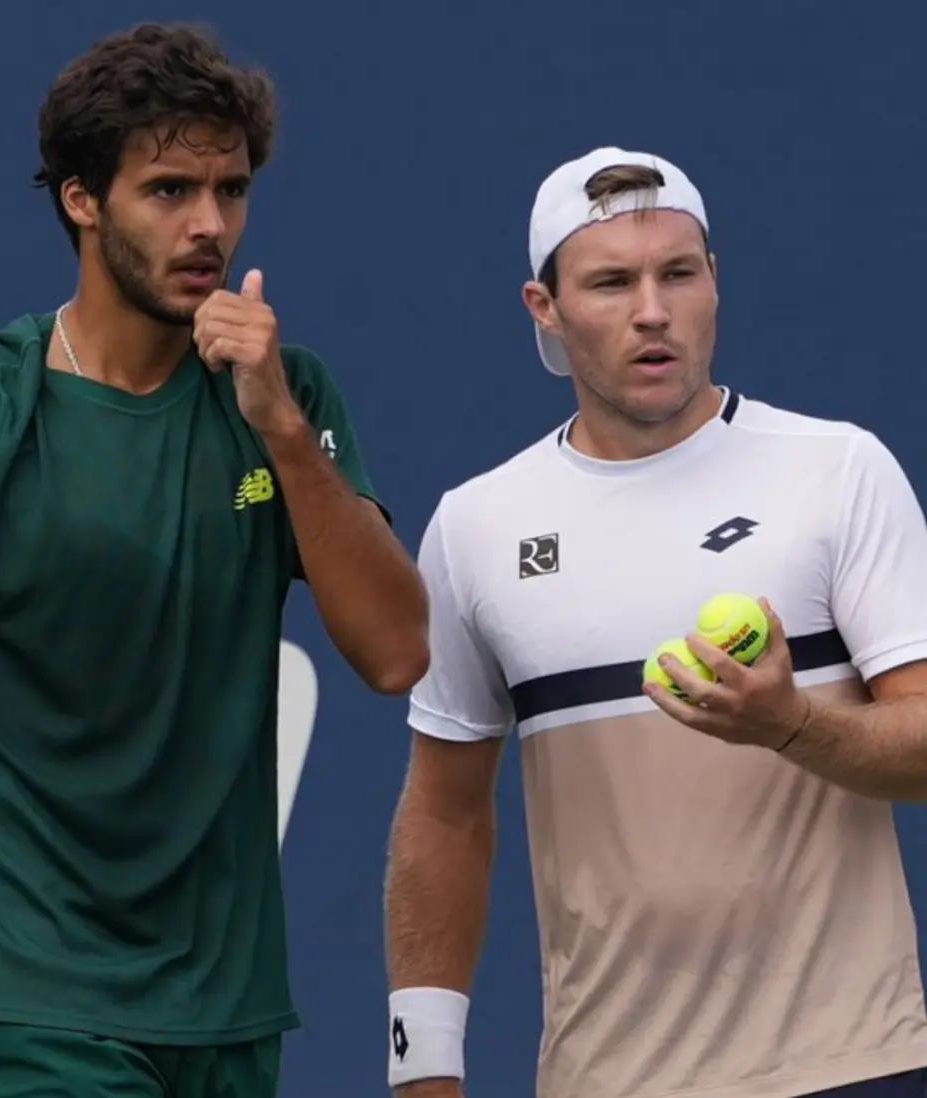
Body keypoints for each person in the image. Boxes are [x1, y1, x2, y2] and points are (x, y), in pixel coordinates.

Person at [0, 22, 429, 1098]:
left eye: (231, 190)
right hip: (20, 996)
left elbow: (396, 654)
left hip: (227, 1009)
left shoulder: (287, 400)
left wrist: (283, 432)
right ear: (82, 200)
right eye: (169, 190)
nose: (210, 224)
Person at [383, 145, 927, 1098]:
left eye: (678, 274)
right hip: (606, 1077)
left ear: (713, 280)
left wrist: (792, 724)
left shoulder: (840, 471)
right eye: (611, 283)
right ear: (545, 309)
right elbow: (445, 813)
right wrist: (423, 1064)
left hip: (856, 1064)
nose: (652, 310)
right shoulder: (477, 527)